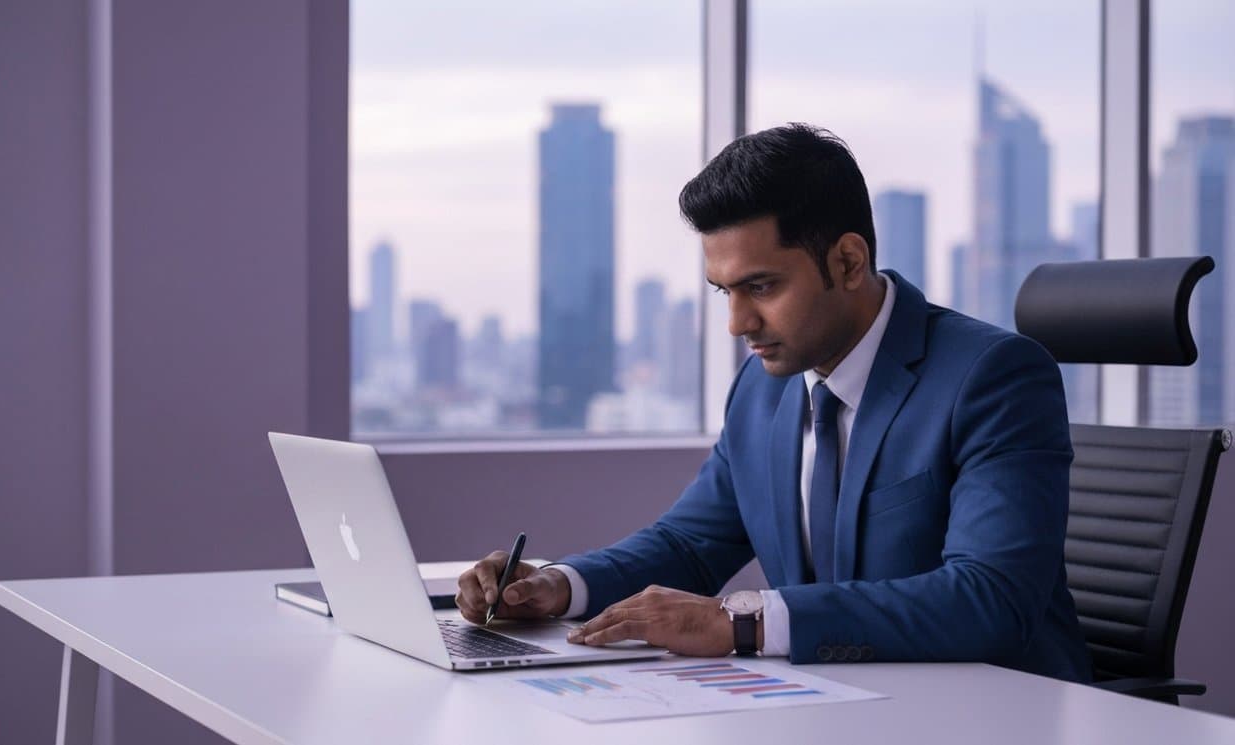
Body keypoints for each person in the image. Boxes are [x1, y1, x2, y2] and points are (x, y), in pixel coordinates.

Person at [455, 123, 1092, 682]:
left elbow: (990, 599)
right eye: (723, 291)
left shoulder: (992, 377)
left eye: (761, 286)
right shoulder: (764, 388)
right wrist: (557, 585)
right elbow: (689, 545)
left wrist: (745, 622)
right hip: (837, 703)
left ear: (847, 261)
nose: (737, 323)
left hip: (996, 712)